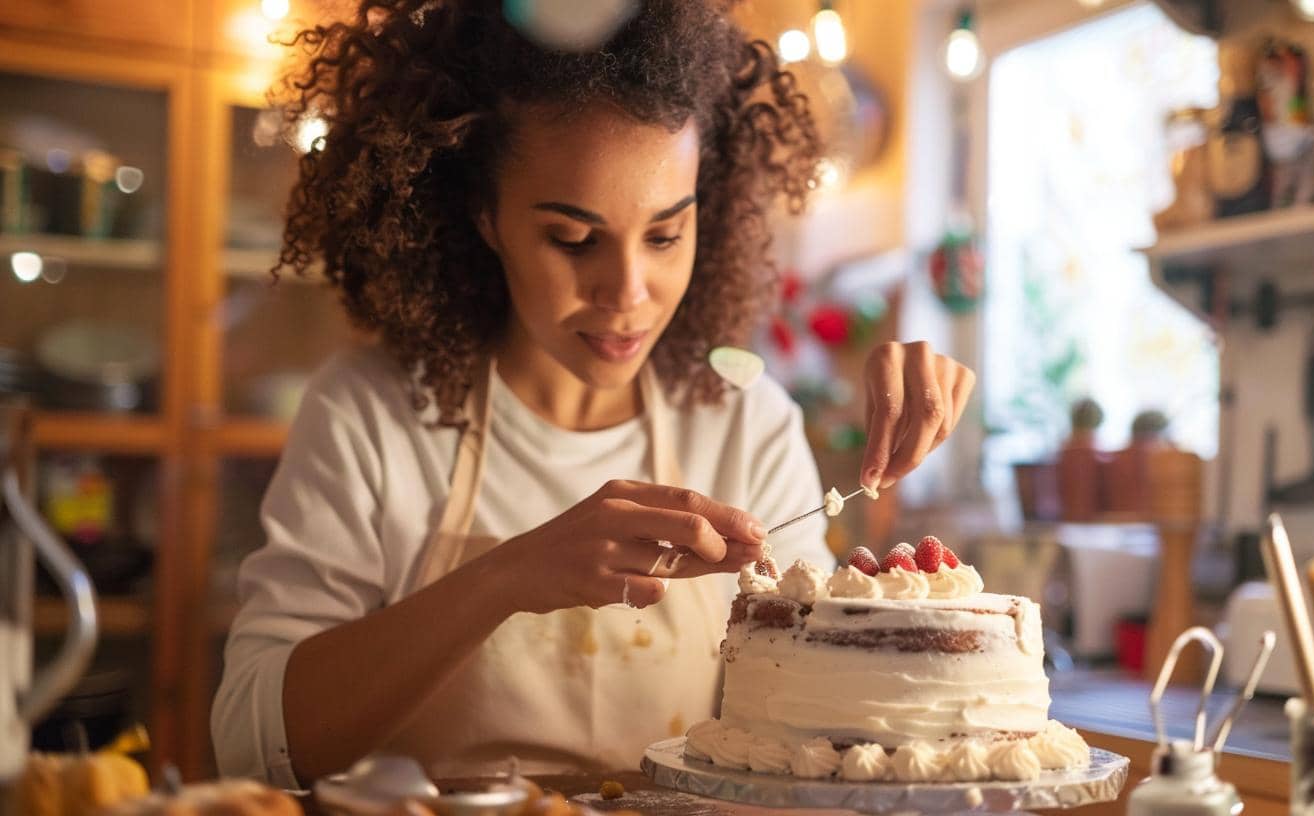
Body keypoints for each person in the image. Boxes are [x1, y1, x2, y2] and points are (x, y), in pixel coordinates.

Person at [211, 0, 976, 787]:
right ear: (484, 217)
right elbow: (253, 743)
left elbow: (824, 724)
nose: (627, 293)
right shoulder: (371, 415)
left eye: (666, 234)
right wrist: (505, 580)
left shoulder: (743, 426)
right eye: (573, 240)